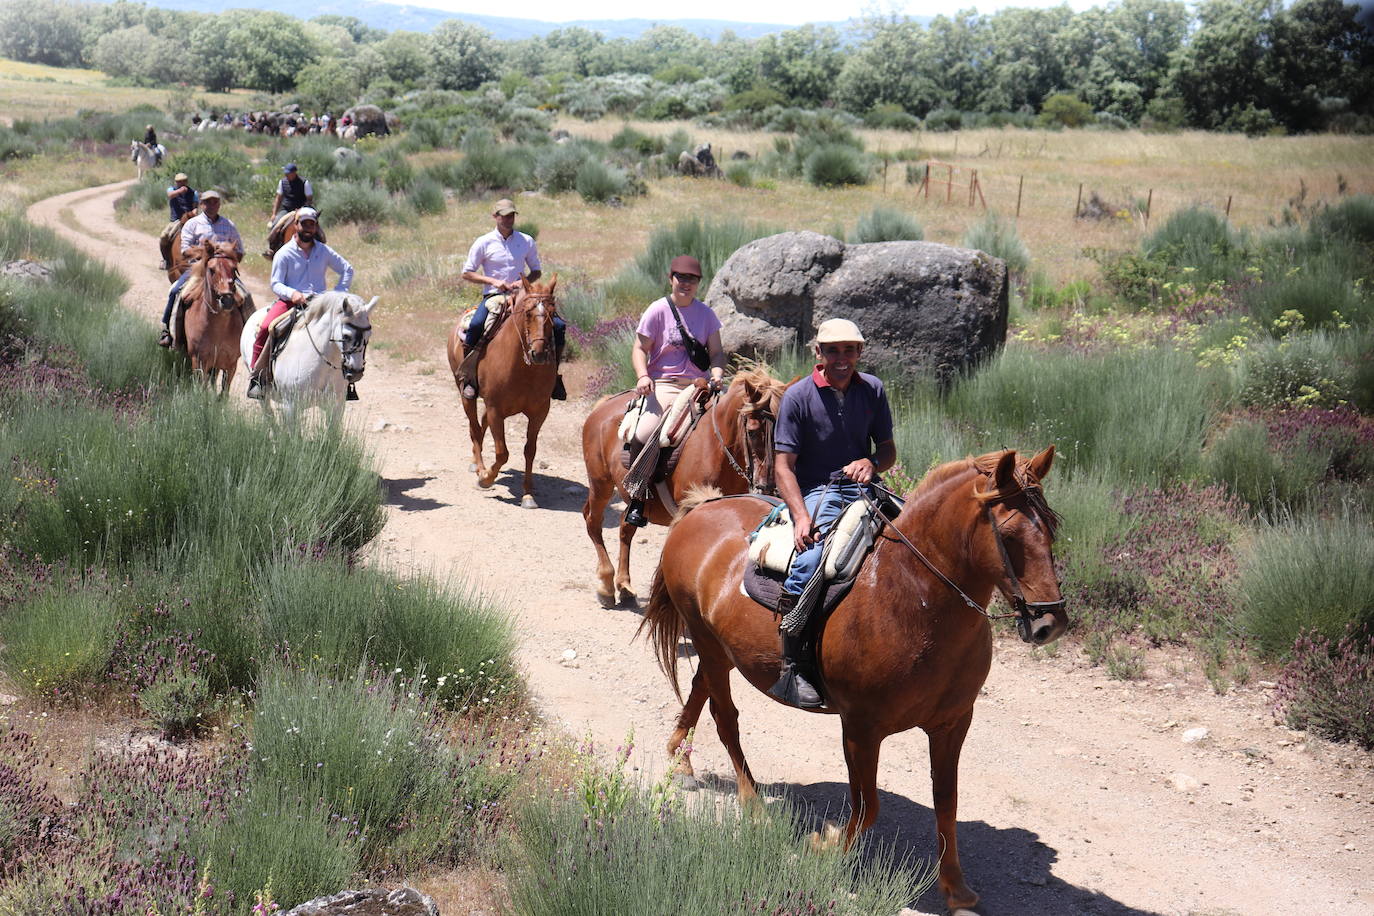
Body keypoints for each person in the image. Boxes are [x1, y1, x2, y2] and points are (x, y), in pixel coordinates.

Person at [768, 318, 896, 708]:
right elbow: (782, 467)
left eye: (850, 350)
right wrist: (800, 517)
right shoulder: (798, 396)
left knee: (916, 541)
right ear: (818, 353)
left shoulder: (872, 389)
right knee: (809, 561)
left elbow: (888, 450)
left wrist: (872, 462)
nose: (842, 359)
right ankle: (794, 665)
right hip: (816, 490)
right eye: (833, 350)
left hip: (866, 487)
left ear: (860, 352)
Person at [621, 254, 725, 528]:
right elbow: (639, 349)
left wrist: (717, 374)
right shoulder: (657, 310)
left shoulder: (707, 315)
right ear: (671, 279)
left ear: (698, 283)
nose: (686, 284)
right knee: (645, 432)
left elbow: (716, 353)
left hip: (698, 386)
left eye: (692, 279)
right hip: (665, 384)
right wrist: (643, 376)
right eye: (681, 278)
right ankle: (638, 497)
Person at [458, 198, 566, 400]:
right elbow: (467, 273)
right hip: (494, 295)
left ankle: (554, 378)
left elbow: (536, 271)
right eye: (504, 216)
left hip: (523, 295)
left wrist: (522, 283)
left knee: (558, 326)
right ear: (495, 217)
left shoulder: (526, 241)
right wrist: (493, 281)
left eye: (511, 215)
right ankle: (470, 377)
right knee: (476, 325)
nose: (508, 219)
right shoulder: (484, 242)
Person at [246, 208, 354, 400]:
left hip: (320, 304)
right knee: (265, 328)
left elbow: (347, 269)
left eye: (311, 224)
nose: (308, 228)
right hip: (290, 303)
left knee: (349, 330)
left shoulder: (323, 251)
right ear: (296, 225)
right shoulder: (284, 253)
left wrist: (337, 293)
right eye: (304, 224)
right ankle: (258, 378)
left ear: (316, 227)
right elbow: (276, 283)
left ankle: (347, 382)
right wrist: (293, 293)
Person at [158, 189, 243, 348]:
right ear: (201, 204)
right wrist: (204, 252)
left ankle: (249, 335)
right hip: (198, 269)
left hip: (224, 271)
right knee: (176, 291)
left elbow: (240, 251)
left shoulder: (229, 225)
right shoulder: (192, 224)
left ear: (219, 204)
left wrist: (227, 254)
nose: (211, 205)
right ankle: (168, 331)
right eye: (207, 202)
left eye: (215, 202)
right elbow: (185, 250)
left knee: (245, 295)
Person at [159, 172, 198, 270]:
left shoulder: (193, 193)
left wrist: (193, 213)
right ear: (176, 182)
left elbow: (195, 207)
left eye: (184, 181)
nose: (182, 183)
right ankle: (166, 260)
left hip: (190, 220)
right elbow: (170, 195)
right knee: (164, 236)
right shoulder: (172, 189)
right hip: (176, 220)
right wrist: (180, 191)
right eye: (179, 182)